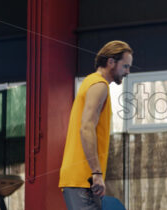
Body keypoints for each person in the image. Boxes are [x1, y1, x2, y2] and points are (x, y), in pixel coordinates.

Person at [59, 40, 133, 210]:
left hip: (83, 180)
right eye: (126, 66)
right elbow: (86, 128)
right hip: (83, 179)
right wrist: (96, 173)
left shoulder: (90, 82)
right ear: (111, 62)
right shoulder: (99, 85)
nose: (127, 71)